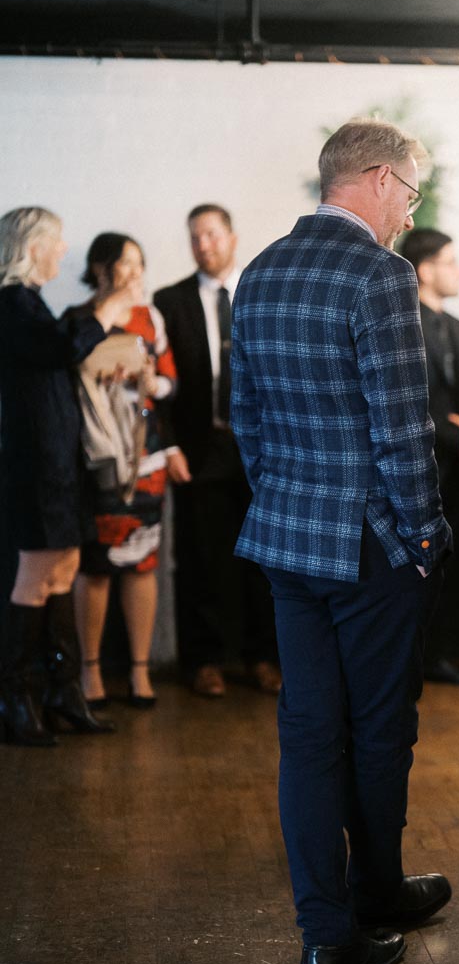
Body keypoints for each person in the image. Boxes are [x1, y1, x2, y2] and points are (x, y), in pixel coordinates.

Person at [231, 118, 453, 964]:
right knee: (380, 728)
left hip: (287, 537)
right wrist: (426, 532)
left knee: (309, 734)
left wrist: (286, 497)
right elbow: (404, 428)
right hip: (370, 542)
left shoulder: (259, 272)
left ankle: (325, 935)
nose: (410, 210)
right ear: (374, 177)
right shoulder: (380, 274)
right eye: (410, 191)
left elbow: (244, 415)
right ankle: (379, 895)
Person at [0, 208, 137, 746]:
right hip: (35, 464)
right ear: (32, 246)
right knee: (36, 579)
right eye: (55, 242)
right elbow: (59, 347)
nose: (63, 251)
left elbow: (58, 355)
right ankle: (16, 696)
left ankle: (61, 690)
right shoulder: (11, 303)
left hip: (57, 460)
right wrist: (105, 311)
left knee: (64, 571)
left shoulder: (28, 303)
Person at [154, 205, 280, 698]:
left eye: (210, 234)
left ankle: (263, 657)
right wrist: (167, 446)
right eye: (194, 237)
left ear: (231, 235)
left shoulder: (263, 289)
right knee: (201, 558)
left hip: (261, 449)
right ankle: (203, 660)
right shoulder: (170, 300)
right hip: (198, 446)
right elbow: (160, 382)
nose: (202, 244)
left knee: (264, 560)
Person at [66, 233, 179, 709]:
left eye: (139, 263)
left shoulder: (150, 317)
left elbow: (172, 382)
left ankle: (139, 670)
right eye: (124, 263)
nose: (134, 272)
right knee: (95, 566)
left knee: (143, 562)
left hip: (145, 455)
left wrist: (154, 380)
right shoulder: (77, 318)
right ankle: (89, 671)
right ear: (100, 268)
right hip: (98, 456)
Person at [400, 227, 459, 685]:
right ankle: (416, 657)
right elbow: (412, 400)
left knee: (455, 564)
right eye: (450, 261)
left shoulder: (457, 327)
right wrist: (457, 435)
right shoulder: (402, 322)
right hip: (422, 466)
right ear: (425, 269)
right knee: (419, 568)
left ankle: (442, 653)